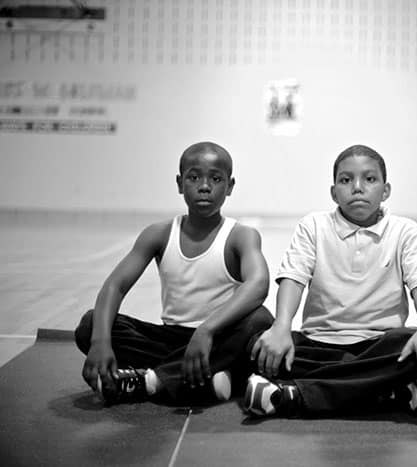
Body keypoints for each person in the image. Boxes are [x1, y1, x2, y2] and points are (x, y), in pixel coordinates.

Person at [243, 144, 417, 417]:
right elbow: (294, 277)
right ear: (334, 192)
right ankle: (387, 392)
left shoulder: (405, 231)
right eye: (346, 180)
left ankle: (292, 396)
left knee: (416, 346)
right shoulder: (314, 226)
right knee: (259, 345)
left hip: (379, 344)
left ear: (385, 190)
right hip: (319, 345)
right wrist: (281, 327)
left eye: (370, 179)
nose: (358, 187)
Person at [74, 142, 274, 405]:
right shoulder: (158, 234)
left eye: (215, 179)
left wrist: (207, 330)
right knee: (90, 325)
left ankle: (151, 381)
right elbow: (115, 286)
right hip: (170, 342)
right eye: (194, 178)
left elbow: (258, 284)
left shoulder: (241, 236)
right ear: (180, 183)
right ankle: (205, 379)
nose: (204, 186)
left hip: (219, 337)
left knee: (260, 319)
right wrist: (100, 341)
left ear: (230, 186)